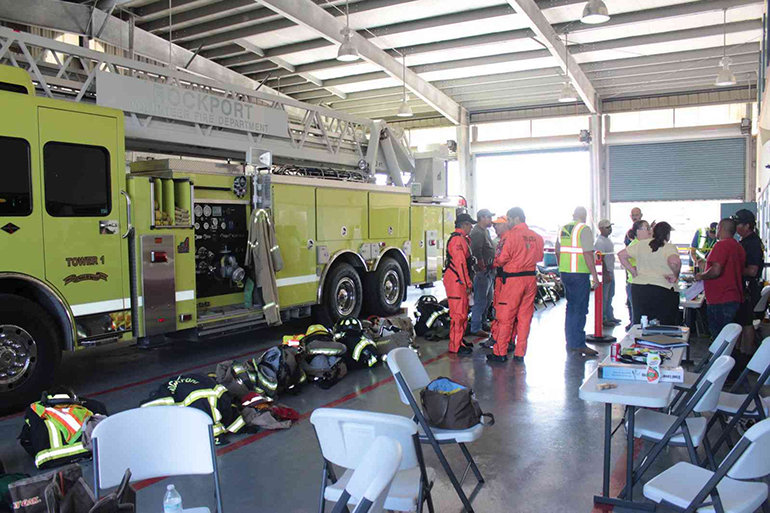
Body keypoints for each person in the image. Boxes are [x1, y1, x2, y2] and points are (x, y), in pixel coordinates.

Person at [487, 207, 544, 364]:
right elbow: (539, 257)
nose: (509, 223)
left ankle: (500, 353)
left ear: (515, 218)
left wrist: (494, 263)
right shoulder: (537, 237)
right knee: (525, 318)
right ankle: (520, 353)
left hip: (512, 281)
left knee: (505, 318)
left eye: (509, 219)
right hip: (530, 280)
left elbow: (501, 259)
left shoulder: (510, 236)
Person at [555, 207, 600, 356]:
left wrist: (562, 269)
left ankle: (571, 341)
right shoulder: (583, 229)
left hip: (566, 273)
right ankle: (579, 343)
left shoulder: (563, 228)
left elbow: (557, 251)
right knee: (580, 309)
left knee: (571, 308)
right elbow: (587, 254)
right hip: (579, 274)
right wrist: (595, 275)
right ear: (585, 216)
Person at [618, 222, 681, 325]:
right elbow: (675, 262)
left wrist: (633, 272)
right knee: (665, 325)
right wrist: (675, 275)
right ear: (668, 235)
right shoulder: (668, 247)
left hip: (639, 289)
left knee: (641, 324)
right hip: (662, 289)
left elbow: (621, 255)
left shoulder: (641, 244)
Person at [694, 218, 745, 337]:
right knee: (728, 337)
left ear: (720, 228)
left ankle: (719, 356)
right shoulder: (738, 247)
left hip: (720, 298)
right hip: (734, 296)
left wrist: (701, 276)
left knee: (718, 337)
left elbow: (716, 270)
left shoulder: (721, 245)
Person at [732, 209, 765, 355]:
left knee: (746, 323)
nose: (736, 227)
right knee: (742, 321)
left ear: (747, 226)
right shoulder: (745, 241)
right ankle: (740, 352)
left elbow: (752, 270)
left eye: (738, 224)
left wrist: (732, 268)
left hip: (749, 289)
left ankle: (745, 354)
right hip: (744, 288)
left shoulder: (752, 244)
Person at [443, 213, 476, 355]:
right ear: (464, 225)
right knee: (458, 314)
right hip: (457, 281)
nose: (471, 227)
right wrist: (467, 283)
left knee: (462, 313)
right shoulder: (457, 241)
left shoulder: (462, 239)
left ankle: (459, 340)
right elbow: (460, 264)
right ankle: (455, 346)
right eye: (470, 225)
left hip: (458, 280)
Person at [469, 209, 495, 337]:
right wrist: (481, 266)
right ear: (482, 218)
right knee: (480, 300)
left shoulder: (485, 232)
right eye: (489, 217)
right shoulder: (478, 233)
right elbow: (476, 251)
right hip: (482, 273)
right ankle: (475, 327)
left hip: (489, 271)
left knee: (487, 299)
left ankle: (483, 322)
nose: (491, 220)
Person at [624, 220, 651, 330]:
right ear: (638, 231)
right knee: (637, 316)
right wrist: (633, 270)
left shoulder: (645, 244)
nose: (649, 231)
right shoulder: (635, 245)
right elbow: (622, 256)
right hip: (635, 284)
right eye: (647, 228)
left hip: (644, 283)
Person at [594, 219, 621, 327]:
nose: (610, 229)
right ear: (600, 229)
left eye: (610, 227)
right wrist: (605, 273)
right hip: (606, 272)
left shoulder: (607, 240)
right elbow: (601, 258)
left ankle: (610, 316)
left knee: (610, 295)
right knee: (604, 297)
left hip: (610, 271)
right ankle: (603, 318)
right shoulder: (599, 242)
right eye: (607, 227)